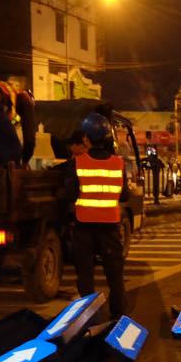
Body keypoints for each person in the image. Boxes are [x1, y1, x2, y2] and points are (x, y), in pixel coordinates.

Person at [63, 112, 128, 319]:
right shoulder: (119, 163)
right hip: (110, 226)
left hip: (84, 227)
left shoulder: (78, 162)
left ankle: (89, 316)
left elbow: (70, 194)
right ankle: (118, 317)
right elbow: (124, 194)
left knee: (85, 275)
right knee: (115, 275)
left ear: (86, 138)